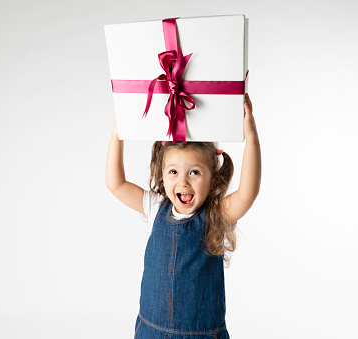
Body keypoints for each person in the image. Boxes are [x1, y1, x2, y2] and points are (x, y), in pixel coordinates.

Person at [106, 94, 261, 338]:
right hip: (151, 331)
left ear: (213, 180)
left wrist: (251, 137)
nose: (183, 181)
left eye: (195, 172)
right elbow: (115, 184)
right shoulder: (156, 206)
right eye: (174, 172)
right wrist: (119, 130)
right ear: (162, 174)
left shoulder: (216, 215)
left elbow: (247, 195)